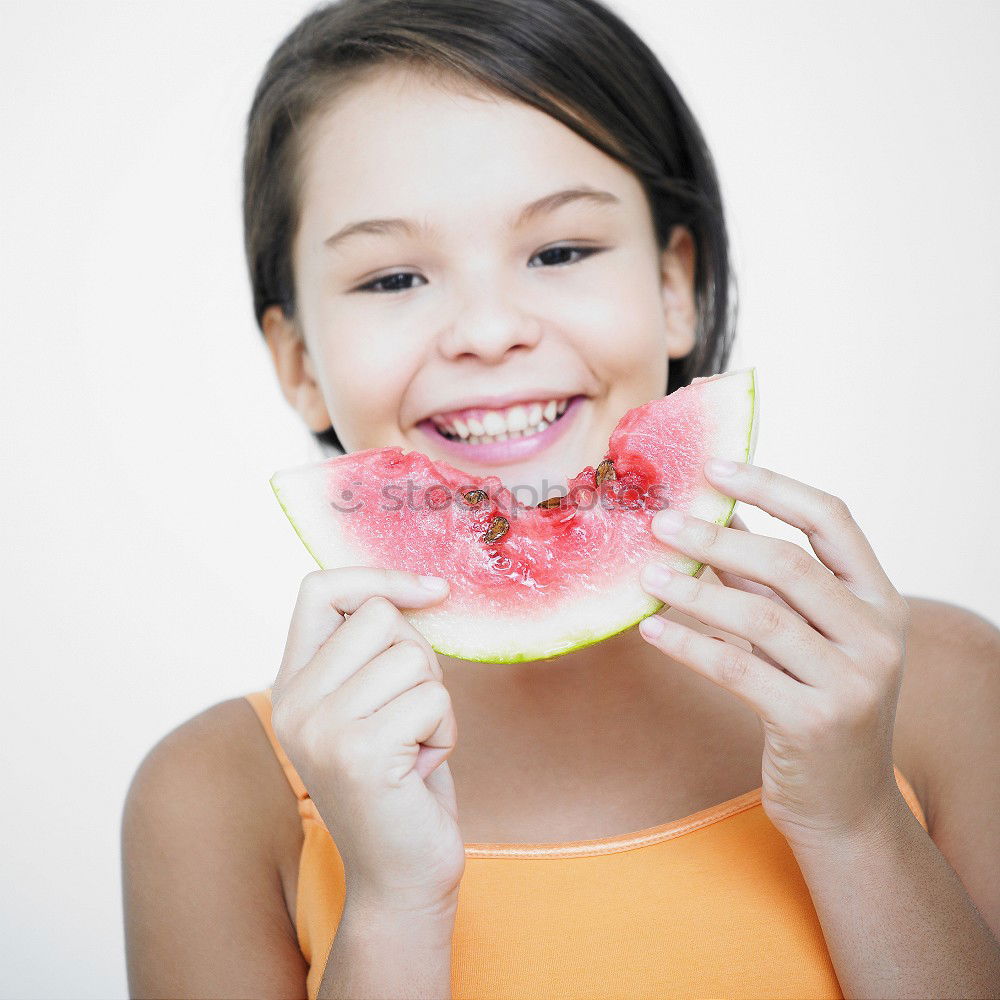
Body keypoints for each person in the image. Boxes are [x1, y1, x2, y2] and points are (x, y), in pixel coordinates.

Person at [120, 1, 1000, 997]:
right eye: (394, 276)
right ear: (299, 364)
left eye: (560, 252)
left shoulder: (941, 686)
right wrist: (393, 901)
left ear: (676, 286)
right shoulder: (217, 798)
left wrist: (852, 820)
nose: (488, 330)